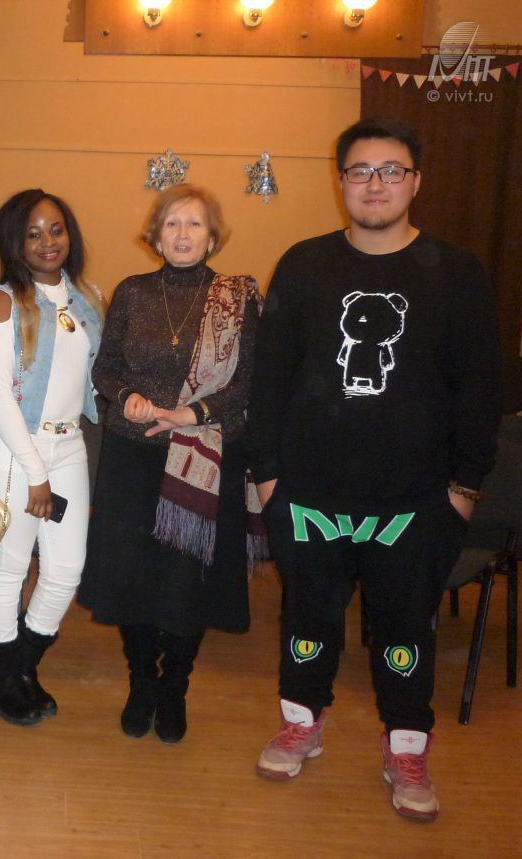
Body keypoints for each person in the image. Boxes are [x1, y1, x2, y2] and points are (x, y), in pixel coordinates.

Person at [247, 117, 499, 821]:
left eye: (391, 170)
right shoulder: (304, 265)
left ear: (416, 181)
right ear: (342, 182)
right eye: (361, 171)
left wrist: (462, 493)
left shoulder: (457, 273)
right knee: (307, 620)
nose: (376, 184)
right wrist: (268, 481)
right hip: (308, 495)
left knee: (405, 631)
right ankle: (301, 723)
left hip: (415, 502)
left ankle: (407, 748)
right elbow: (269, 380)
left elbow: (480, 393)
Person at [80, 184, 262, 745]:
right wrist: (128, 396)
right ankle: (141, 682)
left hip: (202, 458)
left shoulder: (236, 299)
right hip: (133, 460)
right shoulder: (132, 292)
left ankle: (174, 686)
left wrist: (190, 413)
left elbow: (246, 382)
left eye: (195, 224)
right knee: (134, 580)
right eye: (172, 224)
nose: (183, 234)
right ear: (156, 236)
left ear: (213, 237)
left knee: (187, 585)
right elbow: (105, 368)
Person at [0, 189, 103, 726]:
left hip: (68, 444)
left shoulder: (86, 297)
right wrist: (36, 473)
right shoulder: (4, 301)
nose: (48, 242)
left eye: (56, 229)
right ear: (14, 243)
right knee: (10, 567)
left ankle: (18, 665)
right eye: (33, 233)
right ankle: (4, 680)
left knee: (67, 570)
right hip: (12, 448)